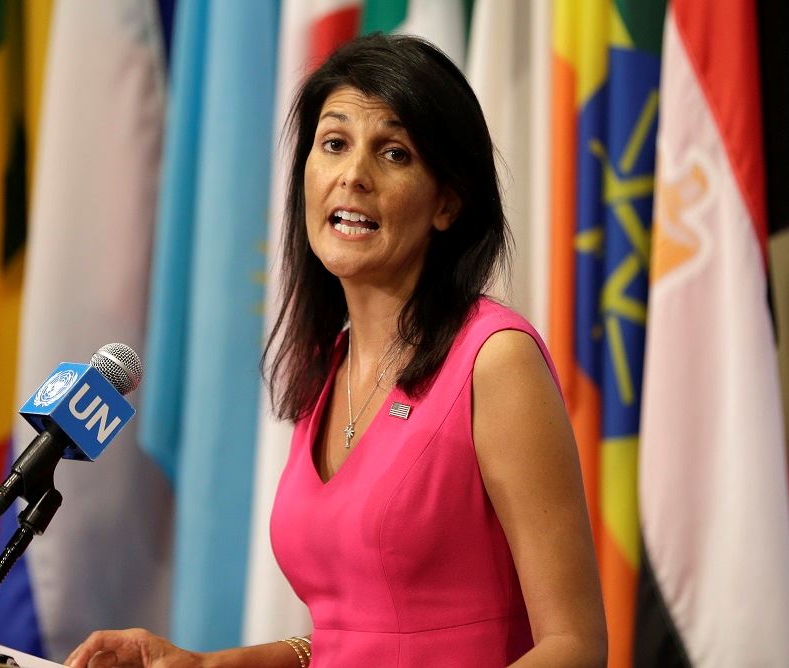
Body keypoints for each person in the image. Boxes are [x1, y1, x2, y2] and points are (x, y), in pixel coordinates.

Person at [66, 33, 605, 668]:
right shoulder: (330, 367)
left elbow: (575, 646)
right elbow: (350, 639)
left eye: (394, 153)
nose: (353, 175)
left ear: (447, 202)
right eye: (334, 143)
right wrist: (208, 665)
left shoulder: (495, 361)